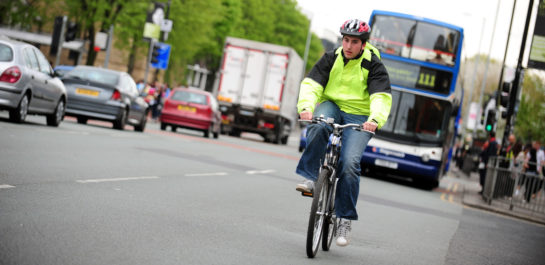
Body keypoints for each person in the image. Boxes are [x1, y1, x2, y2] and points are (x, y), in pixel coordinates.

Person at [294, 19, 392, 247]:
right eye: (345, 40)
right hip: (332, 105)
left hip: (360, 115)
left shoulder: (374, 65)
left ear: (363, 45)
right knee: (319, 126)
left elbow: (380, 96)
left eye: (354, 42)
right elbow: (312, 84)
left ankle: (345, 218)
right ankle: (310, 177)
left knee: (349, 163)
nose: (348, 45)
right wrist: (306, 107)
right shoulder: (331, 57)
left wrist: (374, 120)